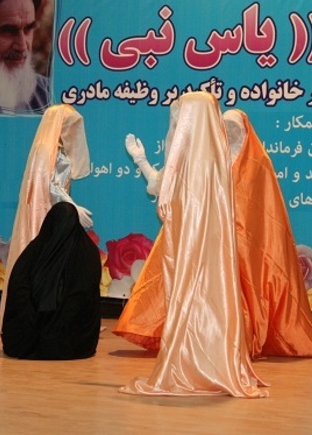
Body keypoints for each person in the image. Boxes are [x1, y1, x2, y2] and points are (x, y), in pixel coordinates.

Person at [113, 107, 312, 359]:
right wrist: (141, 161)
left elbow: (265, 216)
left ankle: (235, 341)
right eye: (225, 128)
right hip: (206, 242)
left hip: (242, 250)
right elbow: (165, 186)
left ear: (245, 131)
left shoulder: (259, 164)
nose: (230, 133)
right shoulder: (207, 161)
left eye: (234, 128)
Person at [120, 92, 268, 397]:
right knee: (206, 298)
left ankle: (189, 363)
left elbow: (167, 184)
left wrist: (165, 192)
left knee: (189, 293)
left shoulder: (205, 162)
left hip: (190, 252)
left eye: (179, 117)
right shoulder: (216, 161)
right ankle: (207, 362)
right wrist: (142, 160)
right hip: (202, 257)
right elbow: (160, 183)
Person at [0, 104, 93, 334]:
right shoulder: (44, 150)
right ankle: (34, 320)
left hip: (58, 214)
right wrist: (72, 207)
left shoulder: (57, 150)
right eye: (69, 125)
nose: (72, 130)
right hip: (44, 215)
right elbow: (47, 185)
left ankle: (58, 319)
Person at [2, 202, 102, 359]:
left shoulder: (86, 253)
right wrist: (31, 318)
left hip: (71, 330)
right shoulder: (36, 249)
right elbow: (19, 285)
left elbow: (80, 296)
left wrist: (54, 324)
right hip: (32, 325)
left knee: (54, 341)